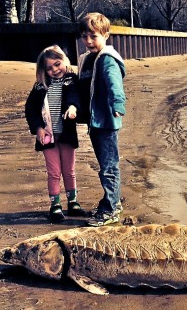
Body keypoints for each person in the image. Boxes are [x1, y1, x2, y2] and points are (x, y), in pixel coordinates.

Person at [25, 45, 84, 223]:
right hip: (48, 136)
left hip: (66, 134)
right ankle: (55, 205)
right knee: (54, 172)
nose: (54, 70)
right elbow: (30, 109)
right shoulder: (40, 86)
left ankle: (72, 201)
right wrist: (38, 128)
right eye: (49, 68)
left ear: (64, 61)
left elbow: (76, 97)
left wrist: (73, 107)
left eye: (57, 64)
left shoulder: (71, 80)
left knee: (69, 170)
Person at [77, 12, 126, 227]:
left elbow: (114, 83)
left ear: (105, 35)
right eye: (84, 36)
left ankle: (111, 208)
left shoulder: (107, 59)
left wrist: (118, 105)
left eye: (93, 36)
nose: (88, 41)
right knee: (104, 164)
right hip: (94, 122)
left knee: (108, 166)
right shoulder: (88, 59)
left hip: (106, 121)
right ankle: (112, 199)